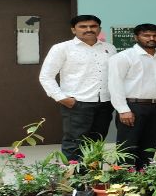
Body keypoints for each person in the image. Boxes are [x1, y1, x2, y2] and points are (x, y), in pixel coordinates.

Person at [39, 15, 116, 161]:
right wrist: (62, 98)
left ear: (99, 29)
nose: (89, 29)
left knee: (97, 142)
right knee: (74, 143)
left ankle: (93, 174)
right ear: (74, 30)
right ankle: (73, 175)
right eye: (83, 27)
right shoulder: (62, 48)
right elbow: (46, 76)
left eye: (93, 26)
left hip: (105, 104)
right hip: (77, 104)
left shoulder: (109, 48)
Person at [108, 24, 156, 170]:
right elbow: (115, 84)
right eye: (146, 35)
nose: (152, 38)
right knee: (128, 146)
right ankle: (126, 178)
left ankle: (144, 176)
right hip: (133, 107)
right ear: (136, 37)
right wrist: (123, 110)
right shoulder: (123, 57)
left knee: (150, 145)